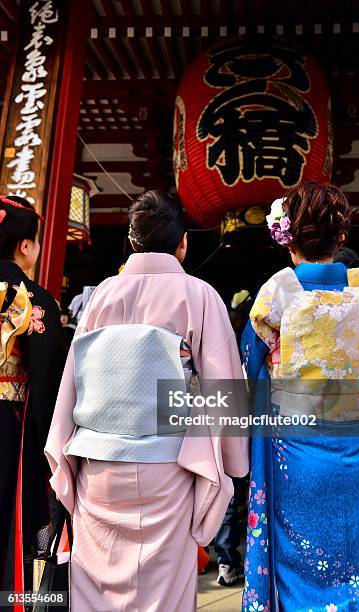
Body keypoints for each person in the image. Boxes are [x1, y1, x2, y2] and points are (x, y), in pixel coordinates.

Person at [45, 190, 249, 612]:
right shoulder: (200, 295)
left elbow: (75, 381)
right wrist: (233, 462)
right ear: (183, 242)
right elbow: (222, 391)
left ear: (133, 242)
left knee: (93, 588)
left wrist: (64, 449)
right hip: (168, 468)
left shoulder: (101, 295)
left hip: (98, 466)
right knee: (164, 592)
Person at [242, 182, 359, 611]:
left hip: (295, 455)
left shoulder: (276, 298)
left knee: (297, 568)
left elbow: (249, 369)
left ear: (289, 239)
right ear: (341, 237)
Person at [0, 196, 65, 599]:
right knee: (14, 523)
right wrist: (48, 448)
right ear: (26, 246)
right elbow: (46, 382)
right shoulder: (33, 299)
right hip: (12, 424)